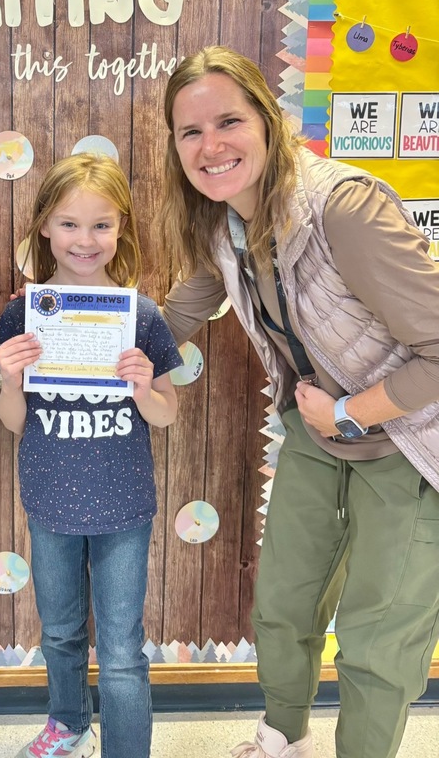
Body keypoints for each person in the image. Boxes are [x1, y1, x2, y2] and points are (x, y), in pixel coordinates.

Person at [157, 46, 439, 758]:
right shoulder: (223, 222)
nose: (210, 146)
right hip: (318, 435)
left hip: (412, 443)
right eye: (190, 132)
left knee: (378, 634)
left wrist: (348, 413)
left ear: (270, 120)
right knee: (283, 604)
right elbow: (169, 320)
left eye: (228, 121)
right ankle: (283, 738)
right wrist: (64, 334)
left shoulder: (344, 209)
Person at [0, 154, 181, 758]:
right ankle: (67, 725)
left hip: (124, 508)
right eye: (69, 224)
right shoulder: (25, 312)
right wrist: (11, 381)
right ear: (44, 226)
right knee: (62, 632)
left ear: (121, 227)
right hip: (50, 504)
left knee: (122, 647)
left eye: (101, 224)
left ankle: (127, 747)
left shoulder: (140, 315)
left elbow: (168, 414)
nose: (85, 239)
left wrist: (146, 387)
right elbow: (14, 423)